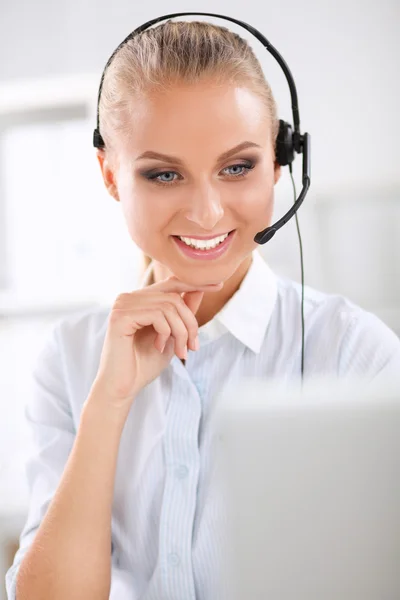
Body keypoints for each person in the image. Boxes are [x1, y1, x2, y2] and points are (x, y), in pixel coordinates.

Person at [6, 19, 400, 600]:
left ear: (282, 159)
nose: (208, 212)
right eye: (164, 174)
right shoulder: (68, 358)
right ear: (111, 174)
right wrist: (108, 406)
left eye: (237, 167)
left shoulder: (355, 353)